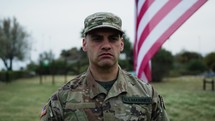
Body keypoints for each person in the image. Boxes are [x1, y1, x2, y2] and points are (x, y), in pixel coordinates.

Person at [40, 12, 169, 121]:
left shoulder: (146, 94)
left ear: (122, 44)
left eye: (113, 39)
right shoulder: (63, 99)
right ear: (84, 44)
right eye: (97, 39)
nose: (106, 45)